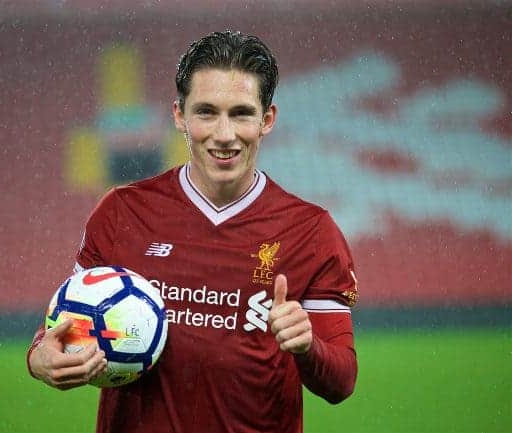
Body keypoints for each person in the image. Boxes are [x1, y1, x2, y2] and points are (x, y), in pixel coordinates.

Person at [27, 30, 358, 433]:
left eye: (241, 113)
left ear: (266, 119)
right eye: (206, 112)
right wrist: (39, 357)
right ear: (179, 115)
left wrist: (308, 348)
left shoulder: (311, 230)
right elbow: (66, 322)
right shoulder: (122, 212)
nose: (224, 134)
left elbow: (341, 382)